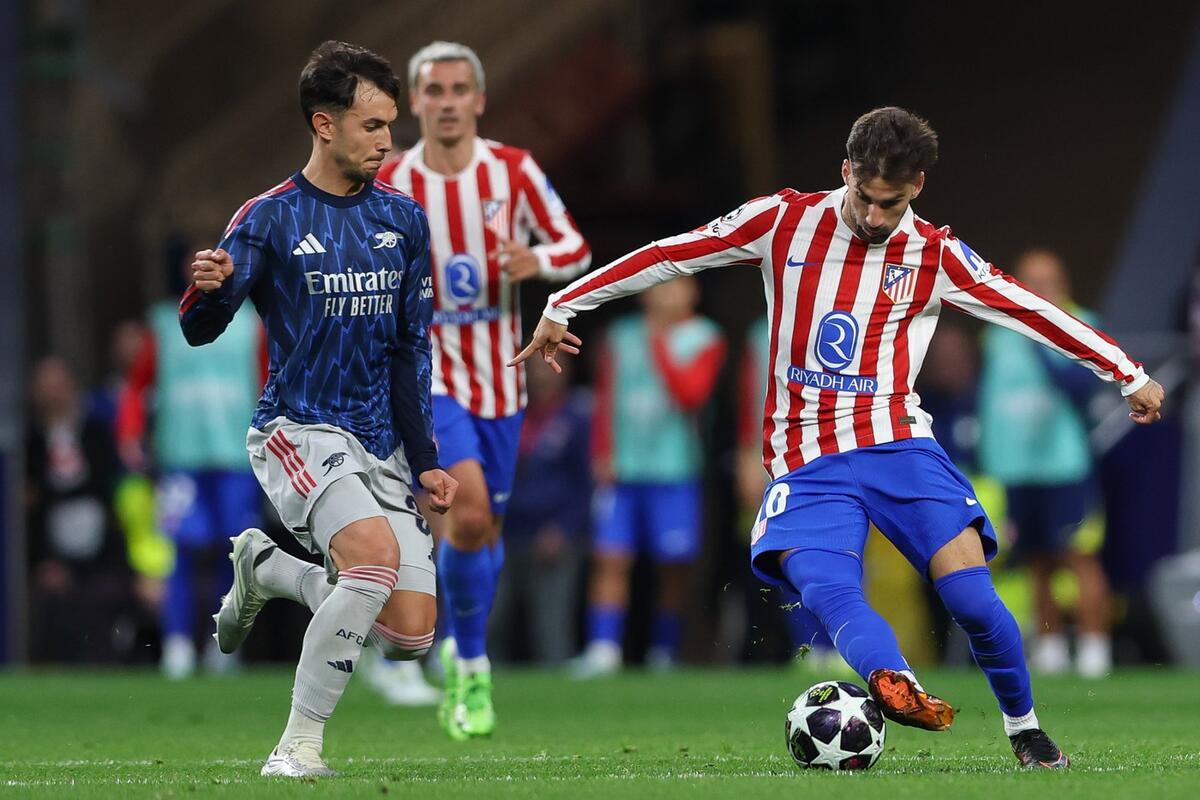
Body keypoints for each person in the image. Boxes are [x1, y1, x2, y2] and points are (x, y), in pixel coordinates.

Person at [512, 106, 1165, 769]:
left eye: (892, 203)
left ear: (918, 187)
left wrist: (1126, 372)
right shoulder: (781, 220)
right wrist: (565, 302)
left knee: (971, 597)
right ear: (846, 170)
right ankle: (892, 677)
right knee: (831, 593)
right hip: (806, 460)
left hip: (899, 446)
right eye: (866, 197)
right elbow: (670, 254)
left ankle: (1025, 730)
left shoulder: (935, 254)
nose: (876, 217)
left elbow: (1030, 308)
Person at [180, 41, 458, 778]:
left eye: (389, 124)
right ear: (324, 124)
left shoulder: (404, 220)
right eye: (372, 125)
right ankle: (296, 748)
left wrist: (425, 460)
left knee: (410, 634)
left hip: (380, 440)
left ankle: (270, 569)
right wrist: (208, 289)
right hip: (298, 427)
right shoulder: (269, 218)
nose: (386, 140)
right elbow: (201, 328)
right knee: (371, 560)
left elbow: (410, 350)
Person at [376, 41, 591, 739]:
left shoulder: (514, 170)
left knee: (484, 530)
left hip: (501, 382)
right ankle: (470, 663)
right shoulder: (393, 179)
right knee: (466, 516)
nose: (446, 102)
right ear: (415, 102)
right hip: (427, 377)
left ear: (479, 100)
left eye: (458, 89)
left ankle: (460, 648)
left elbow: (575, 247)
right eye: (433, 90)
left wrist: (536, 260)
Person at [118, 252, 267, 679]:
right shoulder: (164, 324)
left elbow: (269, 380)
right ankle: (178, 644)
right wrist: (130, 432)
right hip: (181, 457)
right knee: (179, 552)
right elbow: (138, 383)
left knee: (236, 553)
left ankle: (224, 646)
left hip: (237, 456)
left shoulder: (252, 323)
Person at [572, 276, 724, 677]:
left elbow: (691, 395)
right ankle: (603, 649)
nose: (665, 293)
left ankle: (664, 650)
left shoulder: (705, 337)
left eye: (676, 285)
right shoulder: (620, 335)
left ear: (693, 292)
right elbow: (606, 396)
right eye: (659, 286)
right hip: (622, 470)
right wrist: (601, 452)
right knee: (611, 556)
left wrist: (658, 343)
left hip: (675, 469)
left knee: (673, 564)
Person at [977, 249, 1113, 677]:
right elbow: (991, 399)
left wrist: (1040, 336)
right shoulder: (999, 332)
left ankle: (1094, 648)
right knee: (1035, 559)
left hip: (1063, 465)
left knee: (1077, 555)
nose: (1036, 288)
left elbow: (1078, 387)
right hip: (1016, 468)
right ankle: (1050, 646)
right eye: (1028, 280)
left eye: (1045, 281)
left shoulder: (1081, 323)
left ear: (1062, 284)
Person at [735, 315, 844, 671]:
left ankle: (838, 643)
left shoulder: (844, 315)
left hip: (836, 450)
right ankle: (808, 647)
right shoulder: (760, 333)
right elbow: (750, 398)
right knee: (789, 550)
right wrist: (747, 455)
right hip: (778, 456)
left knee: (840, 548)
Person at [490, 358, 592, 666]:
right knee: (493, 615)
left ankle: (557, 680)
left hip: (554, 535)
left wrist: (564, 528)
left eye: (547, 369)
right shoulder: (508, 413)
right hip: (504, 530)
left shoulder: (577, 417)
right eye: (533, 369)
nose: (540, 377)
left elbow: (587, 483)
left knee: (551, 623)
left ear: (565, 373)